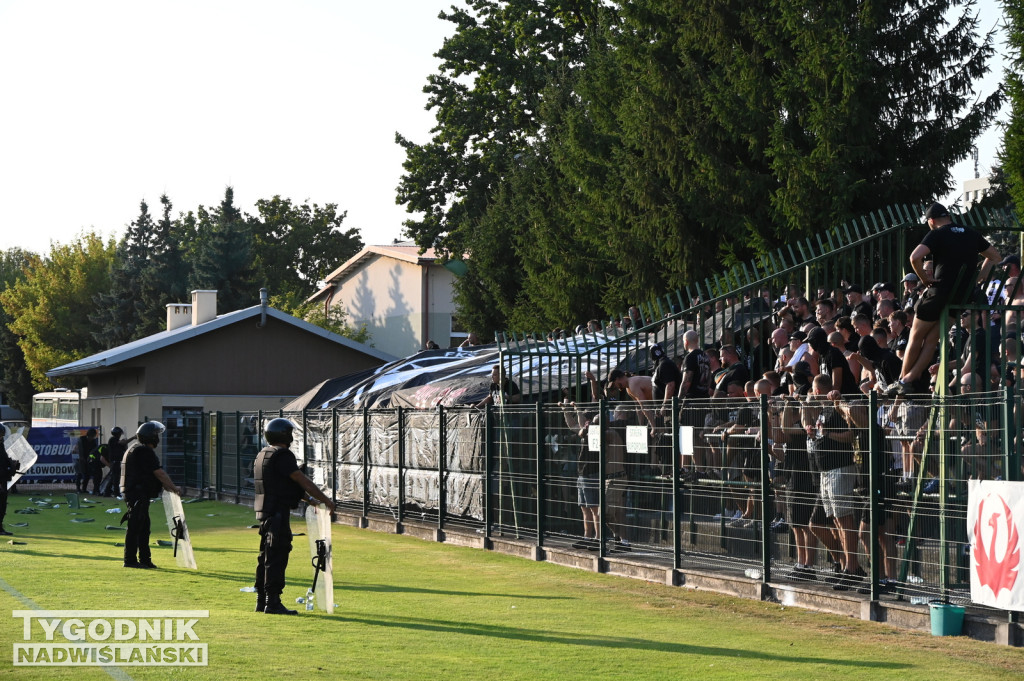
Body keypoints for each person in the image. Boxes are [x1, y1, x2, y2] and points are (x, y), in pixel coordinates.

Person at [892, 202, 1001, 394]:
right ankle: (909, 379)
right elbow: (994, 256)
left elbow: (914, 257)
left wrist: (924, 279)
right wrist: (979, 276)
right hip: (960, 295)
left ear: (931, 220)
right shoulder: (971, 233)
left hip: (938, 291)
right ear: (948, 216)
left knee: (916, 338)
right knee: (932, 340)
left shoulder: (937, 233)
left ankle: (902, 380)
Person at [253, 417, 336, 615]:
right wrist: (326, 500)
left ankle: (262, 601)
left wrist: (312, 501)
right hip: (278, 514)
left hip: (266, 513)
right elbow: (301, 480)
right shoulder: (283, 455)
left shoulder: (264, 454)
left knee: (266, 556)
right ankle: (273, 603)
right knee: (277, 556)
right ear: (285, 434)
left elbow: (285, 486)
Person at [120, 421, 181, 569]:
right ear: (150, 437)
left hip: (136, 494)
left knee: (144, 527)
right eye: (156, 435)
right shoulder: (144, 451)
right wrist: (174, 488)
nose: (158, 438)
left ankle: (145, 560)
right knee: (136, 526)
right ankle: (130, 560)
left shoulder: (134, 448)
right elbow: (159, 473)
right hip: (138, 494)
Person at [1, 423, 18, 536]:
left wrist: (13, 465)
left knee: (2, 505)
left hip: (3, 479)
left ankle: (0, 526)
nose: (1, 437)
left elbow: (4, 460)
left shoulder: (1, 445)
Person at [74, 428, 98, 493]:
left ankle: (84, 489)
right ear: (89, 435)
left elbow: (94, 451)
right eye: (92, 436)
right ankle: (78, 488)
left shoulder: (93, 442)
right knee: (79, 474)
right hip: (79, 459)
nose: (92, 438)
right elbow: (77, 449)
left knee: (87, 474)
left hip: (87, 460)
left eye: (94, 436)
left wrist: (90, 459)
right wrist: (81, 457)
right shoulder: (81, 439)